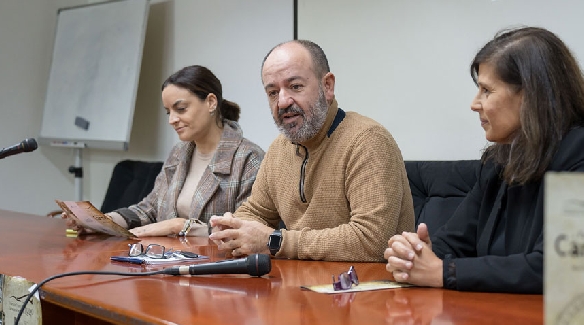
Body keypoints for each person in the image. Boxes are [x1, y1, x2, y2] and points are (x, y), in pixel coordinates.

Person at [384, 26, 584, 293]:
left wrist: (443, 272)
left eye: (487, 91)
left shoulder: (578, 153)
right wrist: (417, 254)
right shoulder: (497, 161)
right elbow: (453, 242)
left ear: (529, 97)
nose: (474, 103)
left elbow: (557, 267)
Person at [209, 40, 414, 262]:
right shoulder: (279, 148)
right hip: (303, 286)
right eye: (273, 92)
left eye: (295, 86)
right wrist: (234, 229)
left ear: (327, 86)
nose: (283, 102)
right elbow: (256, 212)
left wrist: (276, 242)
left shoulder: (368, 141)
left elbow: (373, 241)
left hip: (369, 290)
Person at [66, 65, 264, 237]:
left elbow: (245, 232)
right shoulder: (179, 153)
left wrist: (180, 226)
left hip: (217, 273)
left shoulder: (249, 159)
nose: (172, 120)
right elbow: (149, 209)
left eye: (181, 109)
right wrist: (101, 222)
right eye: (169, 112)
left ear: (211, 102)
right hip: (166, 263)